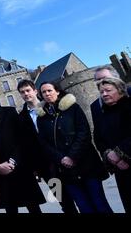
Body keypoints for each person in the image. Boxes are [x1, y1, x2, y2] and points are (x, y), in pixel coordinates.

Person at [37, 81, 112, 213]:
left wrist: (72, 156)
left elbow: (84, 132)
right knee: (83, 207)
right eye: (44, 92)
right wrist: (61, 158)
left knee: (99, 203)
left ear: (57, 91)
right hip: (65, 171)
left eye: (49, 90)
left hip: (86, 164)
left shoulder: (73, 108)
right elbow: (44, 143)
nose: (47, 94)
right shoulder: (42, 117)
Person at [0, 86, 45, 213]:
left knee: (32, 205)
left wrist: (13, 161)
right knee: (10, 207)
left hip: (19, 165)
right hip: (0, 169)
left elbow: (21, 139)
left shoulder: (10, 112)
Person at [17, 79, 78, 213]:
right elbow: (25, 143)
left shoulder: (50, 106)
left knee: (77, 193)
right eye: (22, 92)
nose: (26, 94)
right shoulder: (21, 117)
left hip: (62, 157)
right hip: (44, 164)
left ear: (35, 91)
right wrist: (34, 166)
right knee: (62, 197)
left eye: (28, 90)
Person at [93, 77, 131, 213]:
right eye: (101, 92)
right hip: (120, 169)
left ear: (120, 90)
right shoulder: (103, 114)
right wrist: (109, 154)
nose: (104, 94)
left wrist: (120, 153)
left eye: (108, 90)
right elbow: (98, 138)